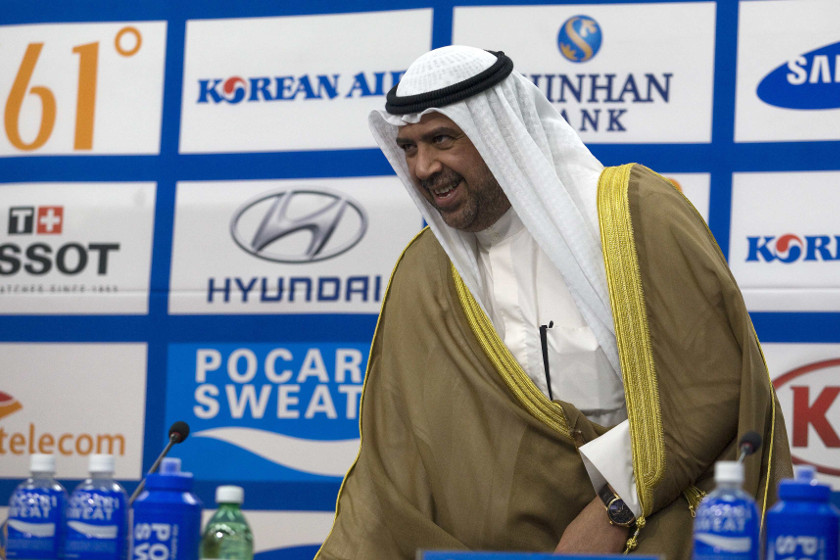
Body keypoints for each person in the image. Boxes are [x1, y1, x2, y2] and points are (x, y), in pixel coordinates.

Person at [315, 45, 792, 559]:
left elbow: (710, 385)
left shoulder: (634, 216)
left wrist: (614, 509)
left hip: (642, 535)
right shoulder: (425, 270)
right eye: (408, 148)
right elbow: (394, 463)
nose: (423, 167)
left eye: (442, 139)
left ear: (499, 132)